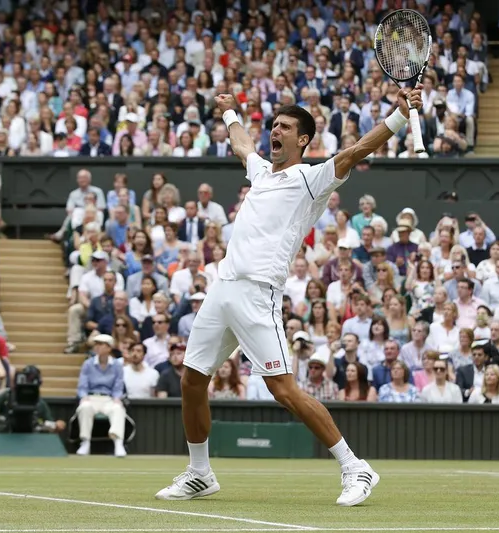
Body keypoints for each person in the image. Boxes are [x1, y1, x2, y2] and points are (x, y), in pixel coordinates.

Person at [155, 88, 423, 506]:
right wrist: (229, 113)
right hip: (222, 289)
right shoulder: (260, 172)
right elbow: (243, 143)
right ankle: (199, 473)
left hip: (259, 295)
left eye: (285, 127)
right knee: (192, 380)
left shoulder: (312, 178)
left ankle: (355, 467)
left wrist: (399, 118)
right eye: (274, 124)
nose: (275, 130)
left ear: (303, 140)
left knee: (282, 389)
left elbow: (355, 150)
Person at [75, 334, 127, 457]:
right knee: (84, 407)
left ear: (109, 348)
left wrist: (117, 398)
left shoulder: (117, 365)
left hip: (108, 399)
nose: (97, 347)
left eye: (101, 344)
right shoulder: (87, 364)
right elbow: (82, 385)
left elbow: (118, 386)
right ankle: (85, 442)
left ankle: (118, 443)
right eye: (96, 344)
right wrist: (84, 396)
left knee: (118, 409)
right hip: (91, 398)